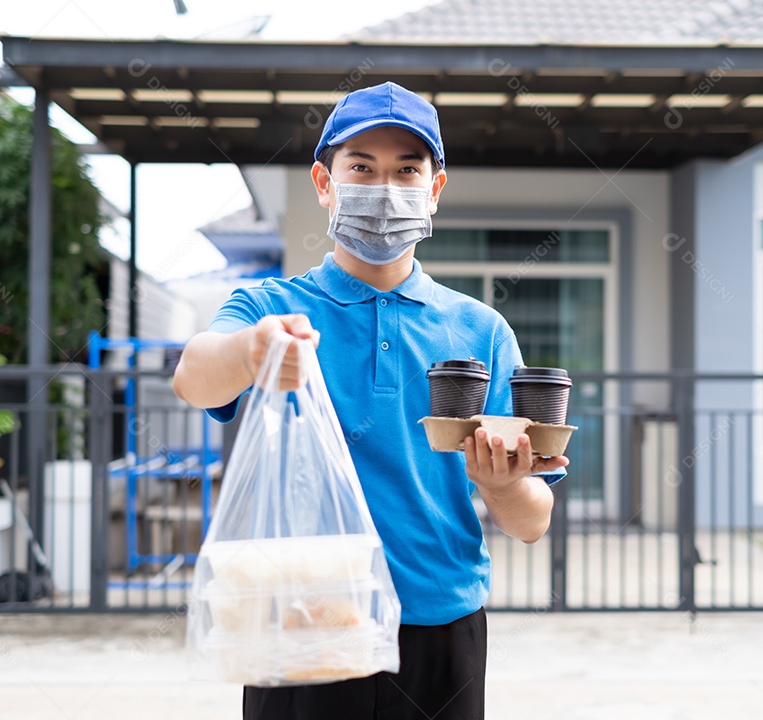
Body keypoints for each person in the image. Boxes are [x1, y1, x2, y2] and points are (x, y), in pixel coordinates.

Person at [173, 81, 569, 720]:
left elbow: (532, 521)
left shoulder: (481, 330)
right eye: (361, 167)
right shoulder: (270, 309)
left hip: (441, 625)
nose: (384, 187)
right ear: (323, 182)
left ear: (434, 188)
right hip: (305, 616)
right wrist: (254, 351)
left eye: (406, 169)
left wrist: (499, 485)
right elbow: (193, 376)